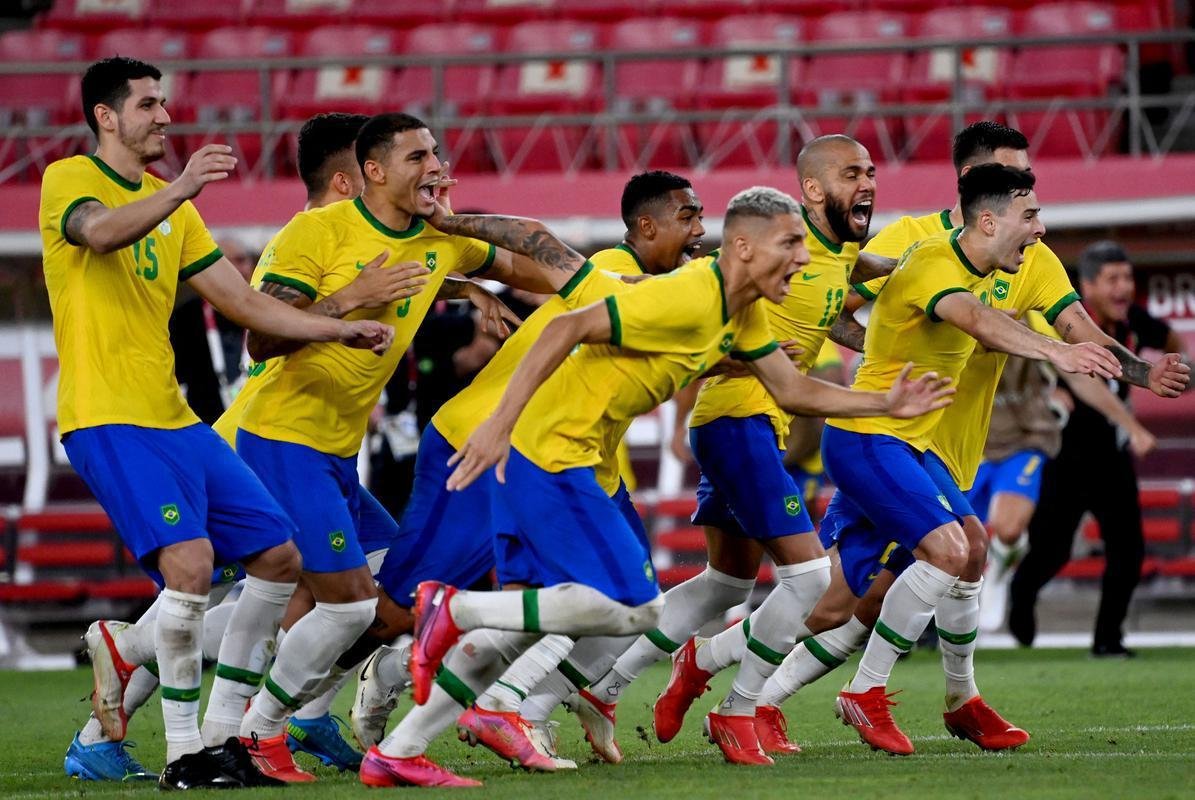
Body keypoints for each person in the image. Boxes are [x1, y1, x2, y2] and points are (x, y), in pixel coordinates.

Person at [398, 187, 953, 780]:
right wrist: (499, 423)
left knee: (573, 608)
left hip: (581, 459)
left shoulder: (736, 312)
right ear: (741, 247)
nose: (802, 258)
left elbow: (794, 390)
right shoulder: (673, 289)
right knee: (619, 603)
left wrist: (885, 401)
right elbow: (563, 323)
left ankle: (413, 741)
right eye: (791, 244)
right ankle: (468, 637)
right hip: (547, 453)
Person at [735, 123, 1185, 756]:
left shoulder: (1027, 257)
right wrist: (884, 350)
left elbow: (1079, 328)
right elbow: (855, 303)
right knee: (845, 595)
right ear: (981, 188)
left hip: (942, 450)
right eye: (1019, 183)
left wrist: (1143, 372)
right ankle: (727, 677)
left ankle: (920, 700)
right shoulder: (916, 247)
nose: (1034, 201)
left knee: (937, 569)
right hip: (882, 438)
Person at [42, 57, 392, 790]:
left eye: (165, 103)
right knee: (194, 566)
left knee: (275, 555)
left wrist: (332, 328)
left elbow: (242, 303)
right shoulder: (70, 180)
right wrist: (179, 188)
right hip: (106, 414)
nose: (163, 117)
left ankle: (209, 720)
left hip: (176, 417)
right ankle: (184, 755)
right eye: (147, 105)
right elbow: (101, 234)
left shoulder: (179, 213)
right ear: (106, 117)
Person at [341, 170, 707, 787]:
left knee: (611, 602)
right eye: (689, 218)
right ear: (648, 226)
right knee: (393, 611)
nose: (700, 232)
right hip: (484, 443)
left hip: (578, 460)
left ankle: (510, 704)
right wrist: (457, 245)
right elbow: (536, 254)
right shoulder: (615, 269)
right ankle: (294, 706)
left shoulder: (682, 289)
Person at [211, 111, 527, 782]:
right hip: (278, 439)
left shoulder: (435, 242)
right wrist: (351, 302)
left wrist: (606, 297)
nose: (436, 166)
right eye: (418, 156)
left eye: (437, 154)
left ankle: (277, 714)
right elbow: (260, 340)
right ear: (372, 171)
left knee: (388, 597)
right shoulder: (314, 232)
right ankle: (255, 735)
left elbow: (530, 264)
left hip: (335, 456)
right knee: (344, 604)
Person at [573, 135, 892, 766]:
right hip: (737, 419)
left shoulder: (838, 251)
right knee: (806, 576)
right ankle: (739, 706)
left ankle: (609, 687)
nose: (868, 183)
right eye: (852, 172)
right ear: (811, 190)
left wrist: (896, 277)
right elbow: (707, 305)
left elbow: (834, 295)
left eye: (871, 172)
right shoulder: (772, 241)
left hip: (751, 424)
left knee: (725, 583)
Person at [1010, 241, 1190, 656]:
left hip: (1112, 458)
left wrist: (1181, 371)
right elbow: (1085, 384)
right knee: (1051, 552)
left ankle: (1108, 639)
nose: (1123, 287)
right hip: (1063, 455)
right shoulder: (1064, 322)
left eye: (1127, 277)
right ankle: (1022, 592)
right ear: (1086, 287)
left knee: (1129, 548)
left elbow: (1171, 343)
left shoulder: (1136, 322)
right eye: (1112, 279)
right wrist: (1133, 425)